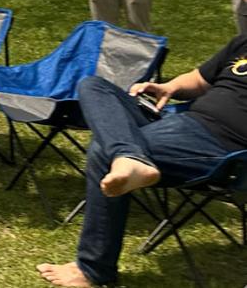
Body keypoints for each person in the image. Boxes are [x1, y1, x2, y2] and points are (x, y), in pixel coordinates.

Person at [35, 35, 247, 287]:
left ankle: (93, 270)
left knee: (103, 150)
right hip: (177, 121)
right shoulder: (243, 42)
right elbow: (200, 79)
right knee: (94, 85)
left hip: (221, 148)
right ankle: (128, 154)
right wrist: (169, 87)